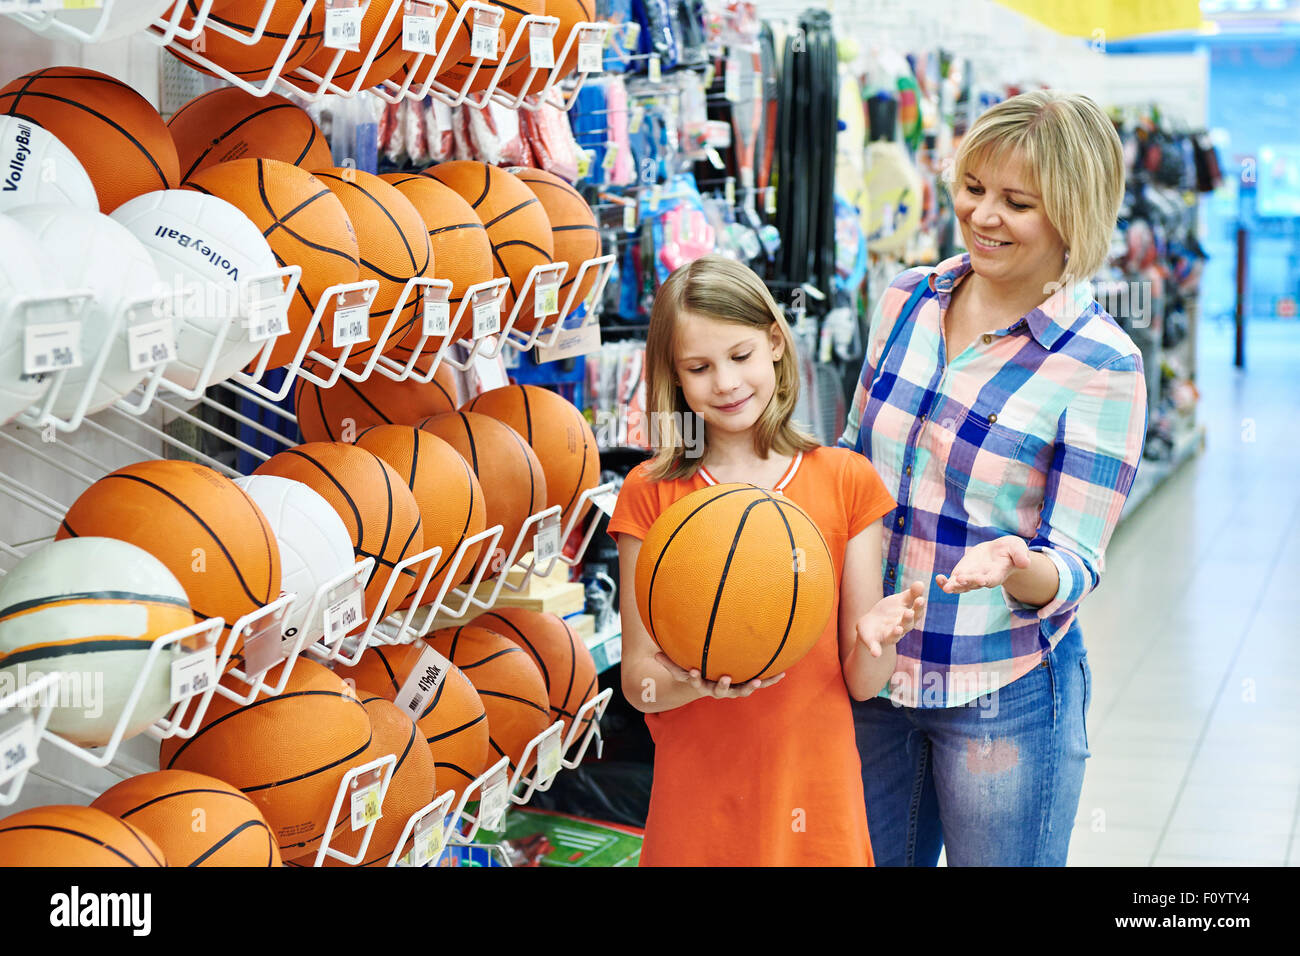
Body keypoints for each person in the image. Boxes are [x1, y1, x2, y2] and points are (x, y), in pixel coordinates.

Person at [839, 90, 1148, 866]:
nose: (982, 216)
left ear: (1073, 216)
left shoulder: (1100, 363)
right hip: (872, 676)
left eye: (1017, 202)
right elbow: (853, 464)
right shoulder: (908, 299)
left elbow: (1075, 564)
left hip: (999, 689)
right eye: (974, 189)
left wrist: (1021, 564)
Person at [607, 255, 927, 866]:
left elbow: (862, 681)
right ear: (672, 376)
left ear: (776, 344)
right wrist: (693, 684)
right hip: (699, 801)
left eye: (741, 355)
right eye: (699, 368)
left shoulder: (844, 481)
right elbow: (639, 684)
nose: (725, 383)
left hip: (815, 796)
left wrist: (880, 641)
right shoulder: (650, 492)